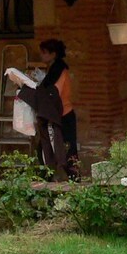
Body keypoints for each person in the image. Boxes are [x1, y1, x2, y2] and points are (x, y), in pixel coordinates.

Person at [10, 38, 78, 181]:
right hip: (58, 113)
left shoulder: (59, 69)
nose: (42, 56)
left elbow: (53, 92)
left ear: (53, 54)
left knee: (66, 149)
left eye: (44, 53)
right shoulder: (55, 67)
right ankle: (53, 178)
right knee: (47, 148)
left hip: (62, 114)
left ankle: (72, 179)